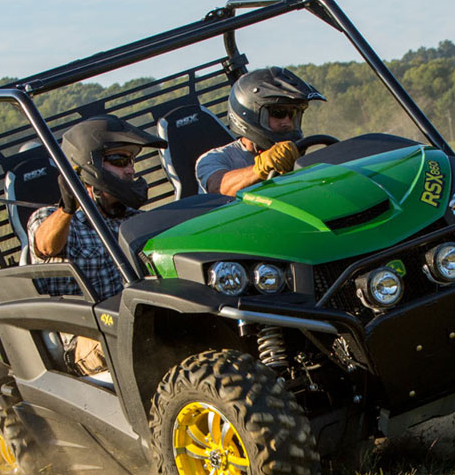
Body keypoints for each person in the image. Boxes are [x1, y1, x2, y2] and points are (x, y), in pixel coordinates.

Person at [27, 114, 166, 374]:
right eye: (119, 160)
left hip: (139, 318)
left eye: (131, 160)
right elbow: (45, 246)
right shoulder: (55, 220)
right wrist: (68, 208)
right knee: (136, 336)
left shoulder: (136, 220)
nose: (131, 169)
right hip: (87, 336)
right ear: (88, 165)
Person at [195, 67, 326, 196]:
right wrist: (261, 168)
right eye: (278, 113)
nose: (288, 122)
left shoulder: (292, 153)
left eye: (293, 114)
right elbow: (218, 187)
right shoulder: (215, 158)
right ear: (251, 114)